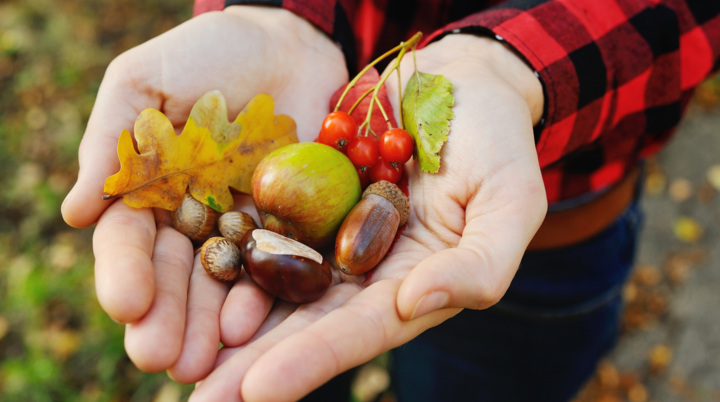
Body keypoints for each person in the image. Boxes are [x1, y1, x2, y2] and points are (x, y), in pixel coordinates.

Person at [61, 0, 720, 400]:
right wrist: (274, 13)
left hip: (558, 219)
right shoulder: (299, 186)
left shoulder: (376, 173)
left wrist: (509, 66)